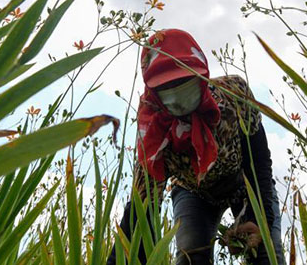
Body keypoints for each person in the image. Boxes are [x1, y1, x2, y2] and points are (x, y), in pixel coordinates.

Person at [107, 29, 284, 265]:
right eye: (169, 94)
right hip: (194, 192)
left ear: (202, 78)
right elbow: (141, 213)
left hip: (243, 183)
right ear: (155, 93)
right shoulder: (154, 136)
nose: (180, 102)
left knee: (265, 252)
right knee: (192, 255)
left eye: (186, 88)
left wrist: (257, 217)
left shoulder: (235, 97)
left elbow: (259, 162)